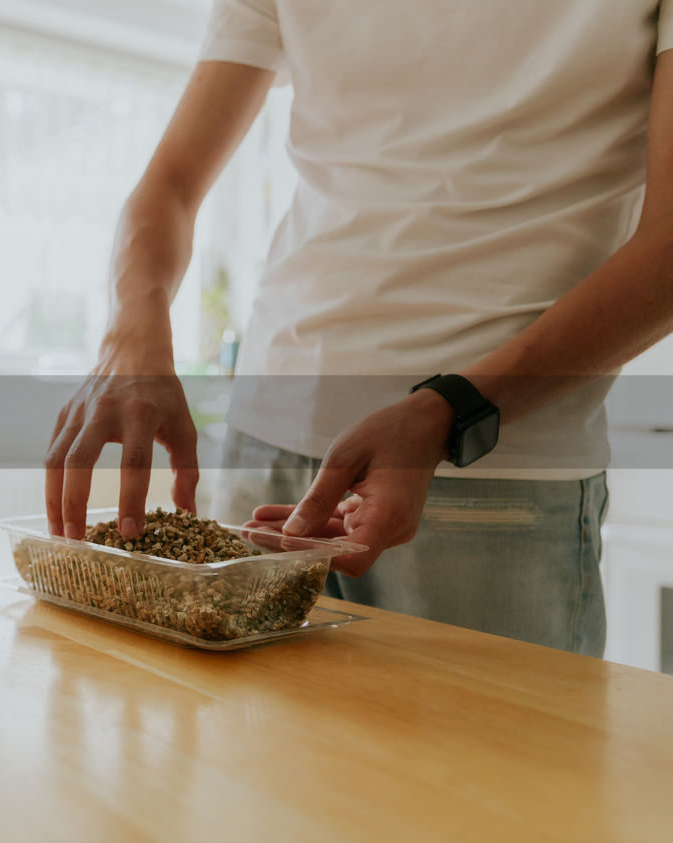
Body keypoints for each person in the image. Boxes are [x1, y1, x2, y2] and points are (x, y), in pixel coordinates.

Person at [43, 0, 673, 655]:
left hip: (488, 462)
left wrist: (448, 409)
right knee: (249, 757)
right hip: (267, 440)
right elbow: (169, 183)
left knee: (490, 759)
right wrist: (132, 339)